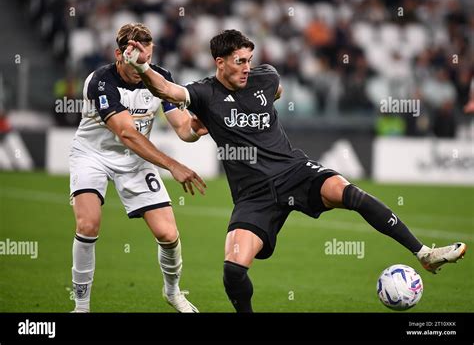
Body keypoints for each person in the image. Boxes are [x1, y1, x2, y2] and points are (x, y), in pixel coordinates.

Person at [124, 29, 467, 312]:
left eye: (249, 60)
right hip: (253, 195)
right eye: (239, 62)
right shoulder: (203, 93)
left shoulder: (265, 77)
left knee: (350, 193)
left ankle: (424, 253)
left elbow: (276, 90)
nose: (247, 67)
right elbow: (166, 90)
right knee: (233, 270)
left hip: (295, 171)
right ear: (220, 63)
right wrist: (141, 67)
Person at [69, 23, 207, 313]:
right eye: (136, 57)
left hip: (135, 160)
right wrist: (172, 165)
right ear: (120, 54)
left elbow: (182, 128)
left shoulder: (160, 79)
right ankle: (81, 308)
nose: (142, 63)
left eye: (147, 56)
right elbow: (128, 134)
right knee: (88, 224)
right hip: (93, 154)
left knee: (168, 234)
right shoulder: (101, 82)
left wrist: (195, 129)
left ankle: (173, 293)